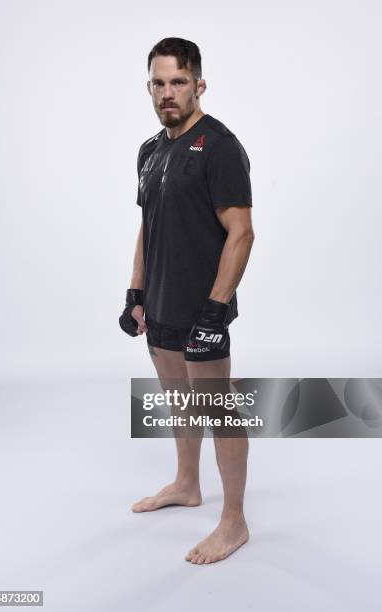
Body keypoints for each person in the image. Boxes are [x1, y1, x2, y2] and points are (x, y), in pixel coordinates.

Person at [120, 37, 255, 564]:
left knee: (219, 409)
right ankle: (186, 483)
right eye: (158, 83)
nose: (167, 92)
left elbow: (241, 232)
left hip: (203, 308)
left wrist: (216, 312)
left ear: (199, 84)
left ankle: (235, 521)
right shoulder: (150, 151)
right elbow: (146, 227)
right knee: (180, 401)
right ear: (149, 88)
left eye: (178, 82)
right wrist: (136, 291)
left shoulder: (219, 145)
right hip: (160, 305)